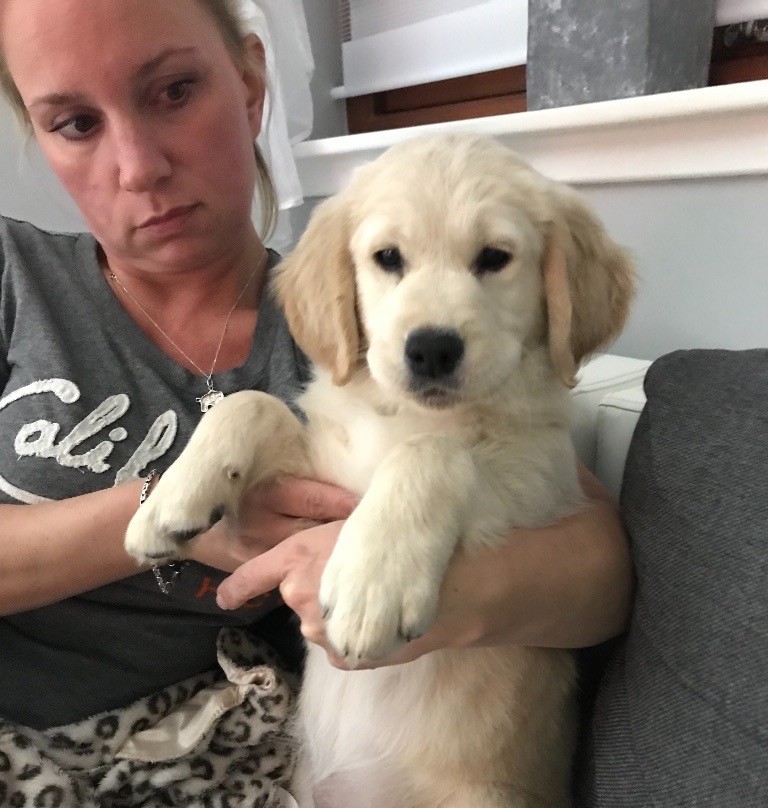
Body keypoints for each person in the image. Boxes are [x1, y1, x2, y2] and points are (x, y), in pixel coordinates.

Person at [0, 0, 633, 732]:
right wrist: (164, 513)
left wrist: (426, 582)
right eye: (76, 123)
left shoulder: (350, 333)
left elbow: (599, 566)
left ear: (249, 86)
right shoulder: (15, 274)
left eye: (174, 90)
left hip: (204, 740)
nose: (140, 168)